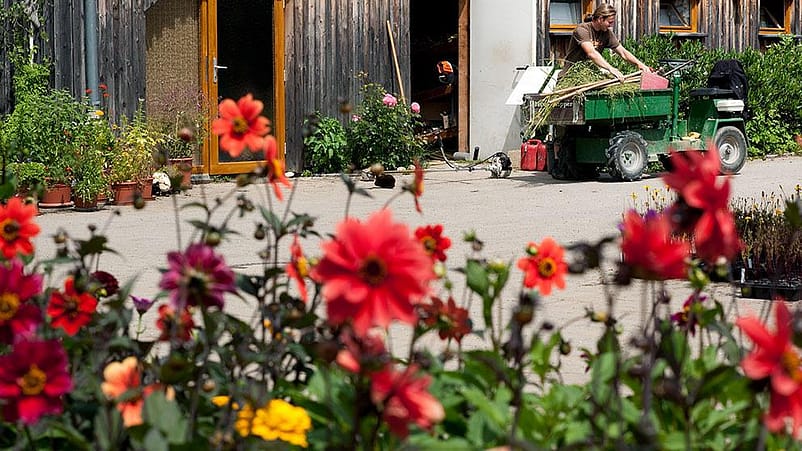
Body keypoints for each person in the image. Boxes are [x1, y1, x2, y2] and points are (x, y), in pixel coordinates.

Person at [561, 3, 652, 82]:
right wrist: (611, 68)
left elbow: (623, 52)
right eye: (610, 22)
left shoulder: (606, 33)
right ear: (600, 19)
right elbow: (591, 53)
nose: (611, 25)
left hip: (589, 77)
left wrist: (640, 64)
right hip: (570, 76)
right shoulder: (582, 30)